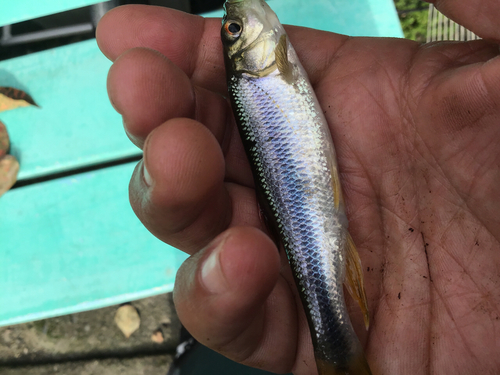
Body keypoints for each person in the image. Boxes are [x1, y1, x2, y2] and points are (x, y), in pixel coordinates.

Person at [96, 1, 500, 374]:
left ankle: (333, 345)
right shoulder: (263, 70)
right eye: (236, 29)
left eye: (233, 27)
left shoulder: (261, 71)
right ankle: (335, 343)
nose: (238, 22)